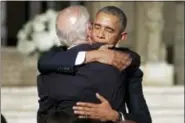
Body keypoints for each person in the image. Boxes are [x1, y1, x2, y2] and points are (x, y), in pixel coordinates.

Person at [37, 5, 151, 123]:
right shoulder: (59, 56)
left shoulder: (125, 63)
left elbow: (144, 119)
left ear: (122, 36)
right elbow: (44, 62)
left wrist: (117, 116)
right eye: (97, 27)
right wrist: (93, 55)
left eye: (109, 30)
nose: (100, 35)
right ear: (90, 28)